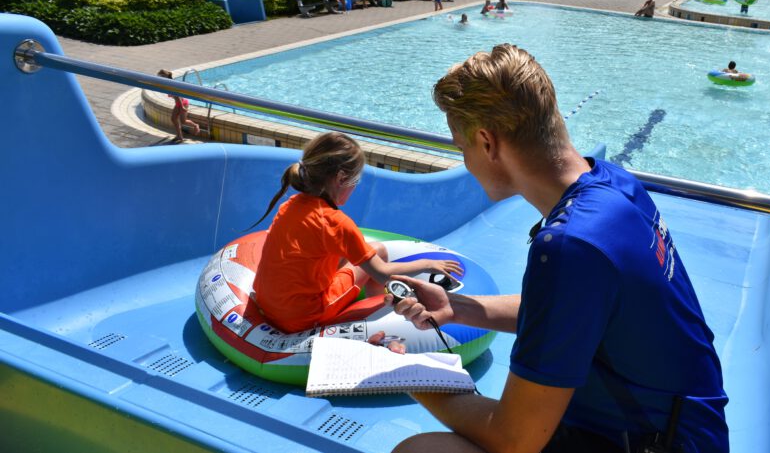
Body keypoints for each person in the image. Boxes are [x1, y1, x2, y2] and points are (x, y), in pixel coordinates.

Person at [388, 44, 729, 453]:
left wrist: (411, 376)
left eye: (462, 149)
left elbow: (514, 440)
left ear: (487, 142)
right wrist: (460, 308)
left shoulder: (571, 246)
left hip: (649, 444)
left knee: (423, 451)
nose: (466, 161)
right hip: (682, 432)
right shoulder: (612, 184)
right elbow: (582, 311)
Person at [251, 132, 463, 334]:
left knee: (365, 253)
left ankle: (373, 305)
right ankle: (379, 313)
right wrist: (428, 263)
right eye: (356, 181)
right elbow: (383, 273)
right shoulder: (337, 224)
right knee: (379, 252)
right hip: (301, 316)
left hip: (267, 303)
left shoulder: (290, 205)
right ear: (342, 178)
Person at [157, 69, 200, 143]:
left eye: (160, 77)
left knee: (183, 121)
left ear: (165, 77)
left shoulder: (170, 84)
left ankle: (196, 125)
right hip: (178, 103)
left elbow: (177, 96)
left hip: (182, 103)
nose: (159, 79)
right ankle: (179, 136)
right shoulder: (167, 83)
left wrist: (182, 107)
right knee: (173, 119)